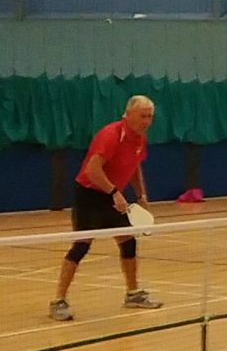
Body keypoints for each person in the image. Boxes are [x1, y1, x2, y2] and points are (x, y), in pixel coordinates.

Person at [50, 95, 162, 320]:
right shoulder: (110, 135)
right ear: (127, 115)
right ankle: (58, 301)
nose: (147, 121)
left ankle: (133, 294)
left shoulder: (139, 139)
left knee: (128, 242)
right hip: (90, 195)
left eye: (150, 116)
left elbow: (134, 167)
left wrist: (141, 195)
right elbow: (93, 170)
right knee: (81, 246)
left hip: (113, 196)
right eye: (142, 116)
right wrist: (114, 193)